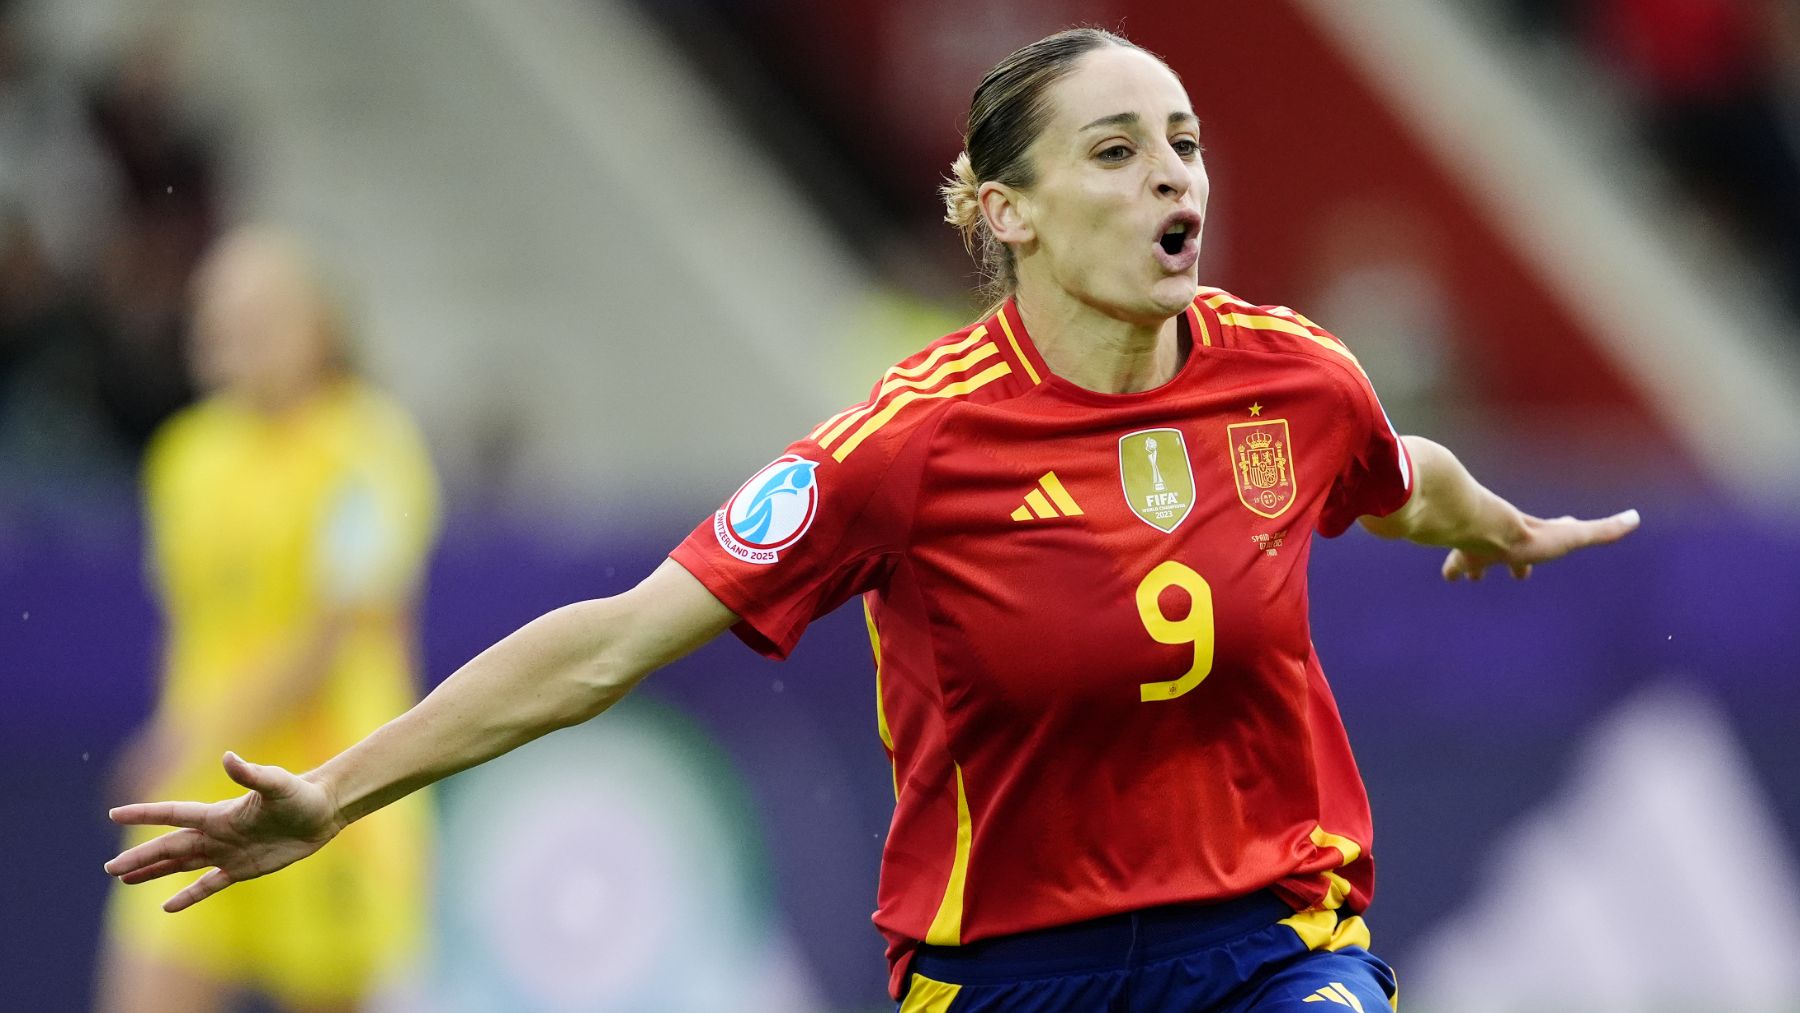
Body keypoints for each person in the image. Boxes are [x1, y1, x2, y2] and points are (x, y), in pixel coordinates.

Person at [104, 30, 1638, 1012]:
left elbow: (1390, 470)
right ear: (1009, 212)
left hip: (1267, 944)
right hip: (1004, 969)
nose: (1172, 175)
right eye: (1116, 151)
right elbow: (615, 642)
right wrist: (338, 789)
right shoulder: (908, 445)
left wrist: (1493, 521)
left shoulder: (1291, 379)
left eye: (1182, 139)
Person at [99, 228, 439, 1013]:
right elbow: (189, 625)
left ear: (321, 325)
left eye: (260, 314)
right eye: (219, 315)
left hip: (333, 790)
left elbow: (333, 635)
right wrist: (180, 735)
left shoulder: (370, 446)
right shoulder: (184, 457)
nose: (234, 334)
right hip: (198, 791)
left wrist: (184, 735)